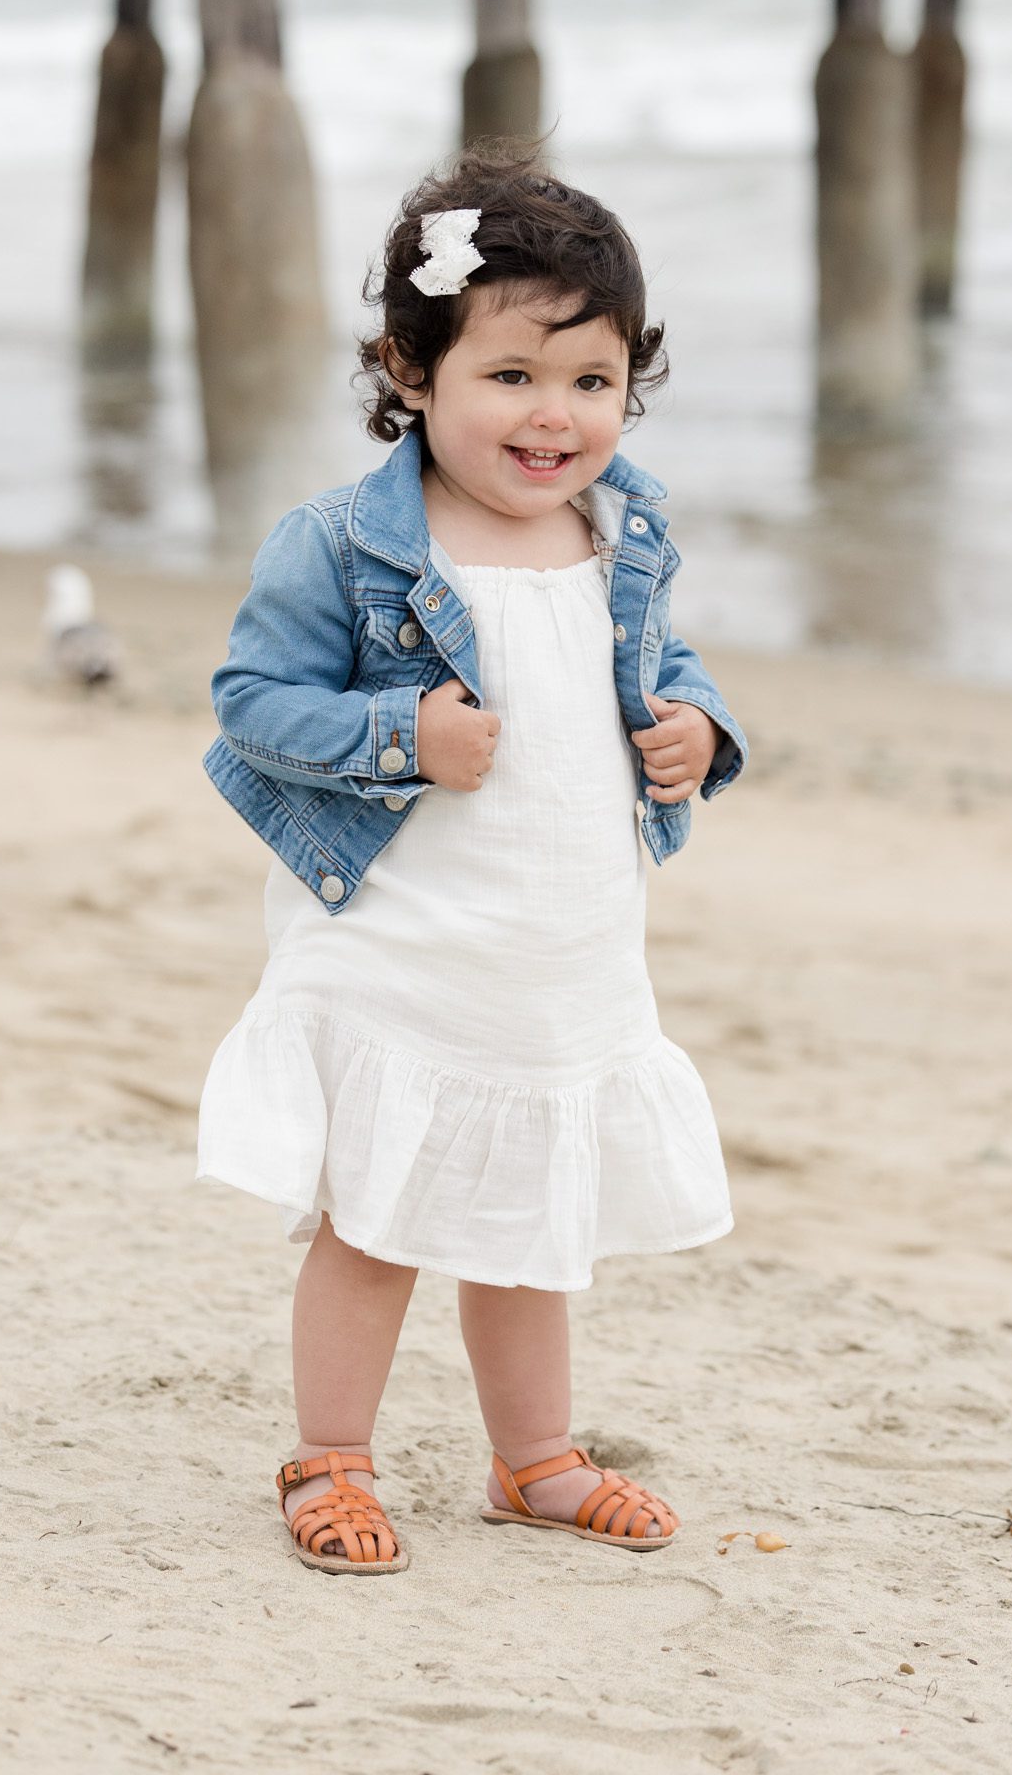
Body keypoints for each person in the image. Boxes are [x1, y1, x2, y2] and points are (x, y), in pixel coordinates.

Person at [196, 134, 749, 1574]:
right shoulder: (343, 544)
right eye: (509, 377)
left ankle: (533, 1460)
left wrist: (696, 726)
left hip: (561, 942)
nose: (552, 416)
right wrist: (401, 738)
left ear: (631, 385)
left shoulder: (619, 533)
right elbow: (250, 706)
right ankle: (328, 1455)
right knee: (375, 1213)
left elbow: (664, 663)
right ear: (407, 370)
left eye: (589, 382)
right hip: (395, 935)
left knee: (528, 1211)